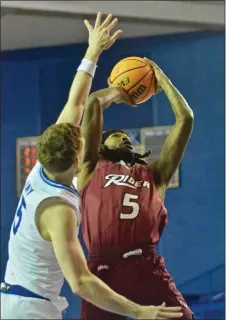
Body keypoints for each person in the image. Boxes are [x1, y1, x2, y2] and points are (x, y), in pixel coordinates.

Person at [0, 13, 183, 320]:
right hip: (31, 310)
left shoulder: (42, 169)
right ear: (77, 159)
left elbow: (77, 103)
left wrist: (94, 53)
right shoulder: (59, 210)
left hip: (17, 299)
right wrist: (138, 312)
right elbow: (80, 282)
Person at [78, 58, 195, 320]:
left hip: (145, 266)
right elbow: (94, 102)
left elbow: (185, 119)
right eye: (117, 136)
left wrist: (160, 80)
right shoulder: (89, 168)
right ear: (102, 146)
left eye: (128, 138)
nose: (125, 138)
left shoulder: (154, 174)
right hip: (101, 269)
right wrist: (122, 91)